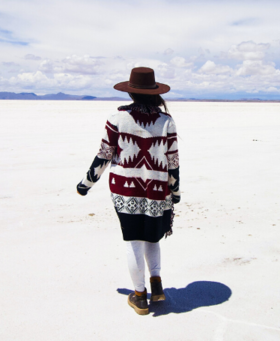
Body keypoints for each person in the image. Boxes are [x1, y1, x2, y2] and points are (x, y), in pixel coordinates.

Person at [76, 67, 181, 315]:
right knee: (152, 238)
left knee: (134, 241)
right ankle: (157, 286)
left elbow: (104, 155)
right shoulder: (166, 121)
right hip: (157, 190)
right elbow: (173, 161)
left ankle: (139, 296)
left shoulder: (117, 118)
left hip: (125, 191)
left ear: (131, 93)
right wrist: (175, 192)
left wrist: (85, 184)